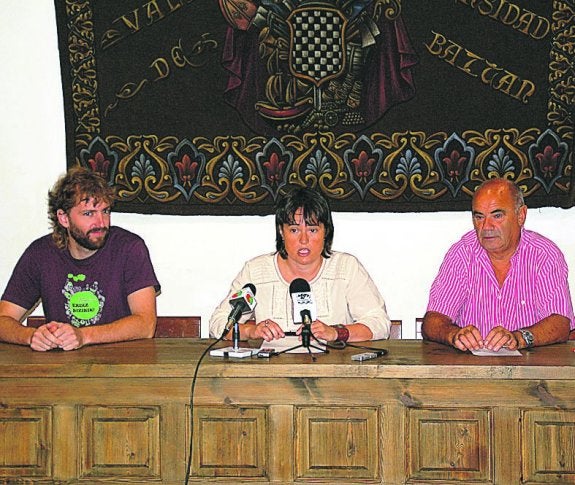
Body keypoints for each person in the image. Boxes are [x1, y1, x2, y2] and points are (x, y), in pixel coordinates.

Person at [0, 167, 160, 351]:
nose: (101, 223)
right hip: (63, 364)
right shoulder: (40, 254)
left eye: (105, 211)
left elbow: (146, 324)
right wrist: (31, 336)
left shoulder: (129, 248)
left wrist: (84, 336)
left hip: (123, 362)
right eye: (89, 213)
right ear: (64, 218)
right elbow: (3, 320)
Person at [209, 187, 390, 343]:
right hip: (272, 370)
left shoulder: (346, 267)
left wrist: (336, 332)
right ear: (281, 232)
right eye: (294, 230)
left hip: (332, 368)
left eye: (312, 230)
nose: (304, 240)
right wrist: (251, 331)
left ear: (326, 232)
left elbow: (379, 323)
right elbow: (219, 323)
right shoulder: (255, 271)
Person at [422, 178, 574, 352]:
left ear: (521, 215)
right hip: (472, 365)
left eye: (497, 216)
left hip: (531, 365)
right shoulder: (462, 254)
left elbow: (561, 324)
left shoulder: (544, 255)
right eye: (479, 217)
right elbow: (432, 321)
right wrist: (454, 334)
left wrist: (519, 338)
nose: (486, 226)